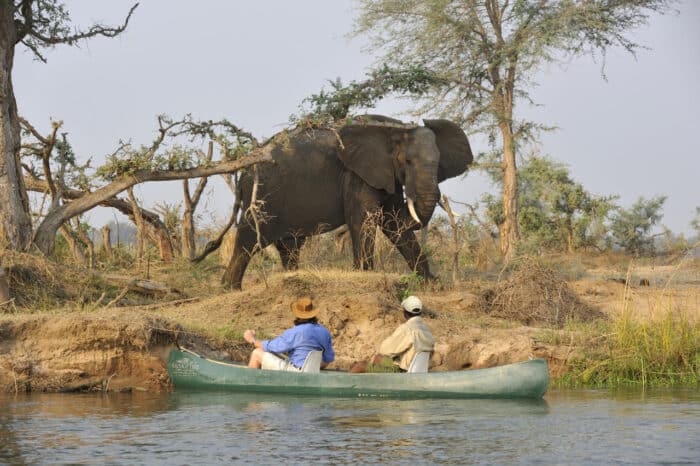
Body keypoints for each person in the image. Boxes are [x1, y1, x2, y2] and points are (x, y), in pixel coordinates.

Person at [243, 297, 335, 371]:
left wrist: (252, 339)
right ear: (313, 314)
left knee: (256, 353)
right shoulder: (325, 332)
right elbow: (328, 359)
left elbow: (270, 346)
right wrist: (311, 368)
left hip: (295, 372)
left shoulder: (295, 332)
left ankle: (248, 384)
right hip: (312, 371)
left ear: (297, 315)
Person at [351, 295, 435, 373]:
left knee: (359, 366)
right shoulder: (426, 330)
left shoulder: (407, 328)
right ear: (420, 312)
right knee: (379, 358)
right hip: (416, 371)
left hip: (402, 372)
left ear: (405, 312)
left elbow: (384, 350)